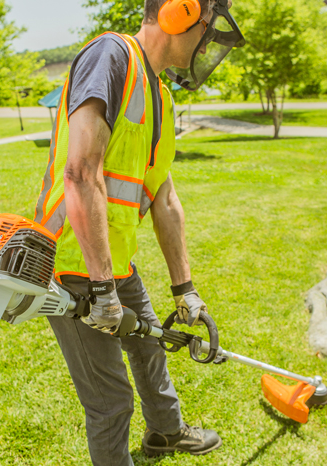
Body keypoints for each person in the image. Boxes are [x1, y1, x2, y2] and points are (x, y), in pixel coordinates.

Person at [33, 1, 244, 464]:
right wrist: (102, 289)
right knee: (110, 402)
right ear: (179, 13)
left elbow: (165, 199)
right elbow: (80, 173)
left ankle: (165, 433)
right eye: (207, 28)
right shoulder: (111, 57)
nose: (208, 42)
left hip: (116, 263)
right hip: (72, 267)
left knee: (150, 349)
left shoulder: (161, 99)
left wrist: (185, 289)